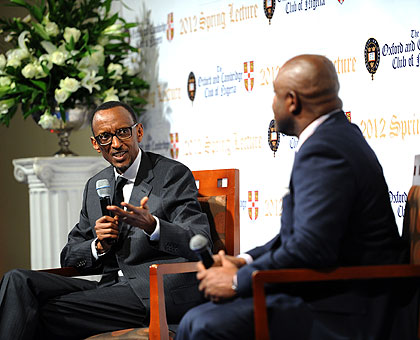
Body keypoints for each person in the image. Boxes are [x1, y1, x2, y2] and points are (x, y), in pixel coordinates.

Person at [175, 54, 417, 340]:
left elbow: (311, 248)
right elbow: (298, 238)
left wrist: (236, 281)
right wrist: (245, 261)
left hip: (349, 307)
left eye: (275, 95)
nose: (272, 104)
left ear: (292, 101)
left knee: (202, 323)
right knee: (198, 318)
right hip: (332, 290)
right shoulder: (338, 136)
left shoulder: (326, 150)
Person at [0, 101, 211, 339]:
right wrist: (98, 246)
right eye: (105, 137)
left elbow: (199, 239)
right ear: (95, 144)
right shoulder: (95, 185)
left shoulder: (171, 175)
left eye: (123, 132)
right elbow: (69, 254)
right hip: (110, 287)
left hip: (152, 290)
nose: (116, 144)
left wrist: (153, 226)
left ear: (138, 132)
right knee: (17, 281)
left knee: (42, 311)